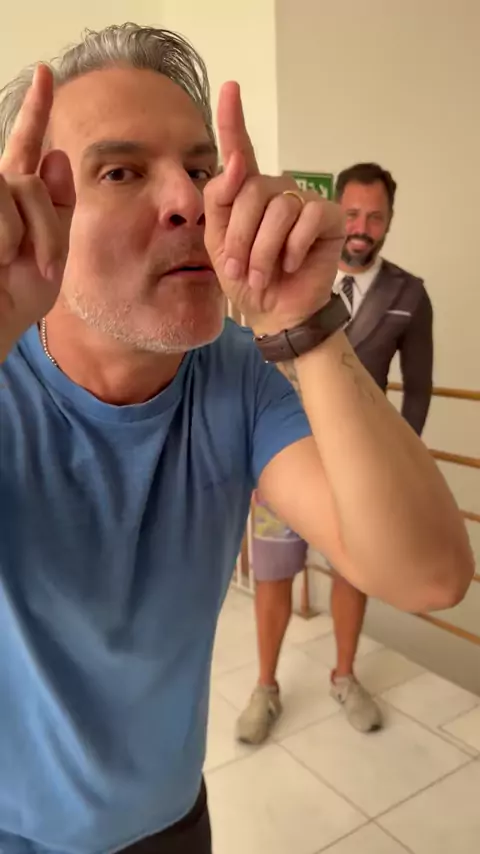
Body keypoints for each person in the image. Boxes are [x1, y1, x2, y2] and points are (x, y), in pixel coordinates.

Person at [0, 24, 472, 854]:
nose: (188, 201)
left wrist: (304, 321)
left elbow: (428, 574)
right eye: (121, 171)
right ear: (30, 215)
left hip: (170, 822)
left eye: (200, 168)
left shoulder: (236, 375)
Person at [238, 162, 435, 744]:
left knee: (356, 571)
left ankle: (345, 676)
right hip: (284, 459)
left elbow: (418, 389)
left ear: (390, 221)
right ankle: (265, 686)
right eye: (352, 213)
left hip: (361, 471)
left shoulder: (409, 295)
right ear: (335, 212)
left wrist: (399, 469)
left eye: (375, 217)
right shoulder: (293, 276)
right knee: (273, 573)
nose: (362, 227)